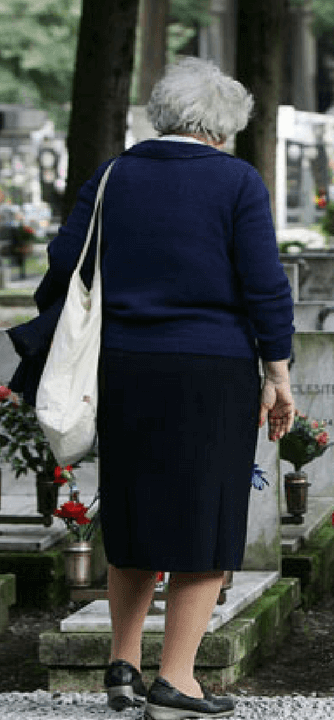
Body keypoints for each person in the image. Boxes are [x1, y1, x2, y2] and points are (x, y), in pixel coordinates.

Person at [32, 57, 294, 718]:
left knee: (133, 510)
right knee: (202, 524)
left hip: (123, 366)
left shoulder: (113, 174)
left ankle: (121, 664)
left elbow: (64, 263)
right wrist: (278, 373)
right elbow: (264, 284)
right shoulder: (236, 181)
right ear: (220, 127)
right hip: (211, 369)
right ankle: (177, 680)